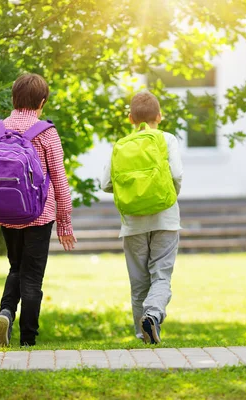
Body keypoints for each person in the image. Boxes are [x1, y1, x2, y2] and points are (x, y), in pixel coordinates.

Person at [0, 73, 76, 347]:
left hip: (6, 211)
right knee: (32, 276)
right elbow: (60, 181)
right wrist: (64, 223)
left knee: (16, 267)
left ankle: (5, 313)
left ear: (13, 98)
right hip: (39, 214)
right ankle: (28, 340)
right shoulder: (46, 132)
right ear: (42, 101)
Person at [101, 91, 183, 344]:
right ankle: (153, 315)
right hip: (165, 219)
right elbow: (177, 175)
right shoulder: (167, 139)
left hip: (133, 222)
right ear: (160, 116)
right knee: (161, 275)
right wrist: (167, 197)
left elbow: (105, 183)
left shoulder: (122, 144)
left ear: (130, 119)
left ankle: (143, 335)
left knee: (139, 283)